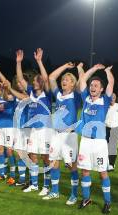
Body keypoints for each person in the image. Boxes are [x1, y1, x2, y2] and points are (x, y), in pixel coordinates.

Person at [76, 63, 114, 214]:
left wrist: (107, 72)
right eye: (92, 85)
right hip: (85, 141)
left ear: (101, 89)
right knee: (85, 171)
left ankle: (107, 202)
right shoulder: (86, 98)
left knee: (102, 173)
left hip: (99, 143)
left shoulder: (104, 101)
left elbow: (111, 83)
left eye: (96, 85)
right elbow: (82, 80)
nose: (93, 87)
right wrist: (93, 69)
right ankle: (86, 198)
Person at [15, 49, 53, 195]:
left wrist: (39, 61)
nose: (35, 82)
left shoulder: (47, 94)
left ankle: (46, 186)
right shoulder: (31, 92)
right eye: (35, 80)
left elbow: (46, 77)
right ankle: (35, 184)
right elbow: (20, 79)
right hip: (33, 130)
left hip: (45, 130)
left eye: (38, 80)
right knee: (32, 155)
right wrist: (19, 62)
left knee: (45, 157)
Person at [47, 61, 82, 204]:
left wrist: (79, 70)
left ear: (73, 84)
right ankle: (55, 191)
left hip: (69, 135)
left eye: (67, 80)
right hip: (56, 134)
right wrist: (65, 67)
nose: (63, 81)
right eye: (63, 80)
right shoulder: (59, 96)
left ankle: (74, 194)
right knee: (53, 161)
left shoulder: (75, 96)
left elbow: (81, 84)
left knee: (71, 166)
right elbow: (51, 78)